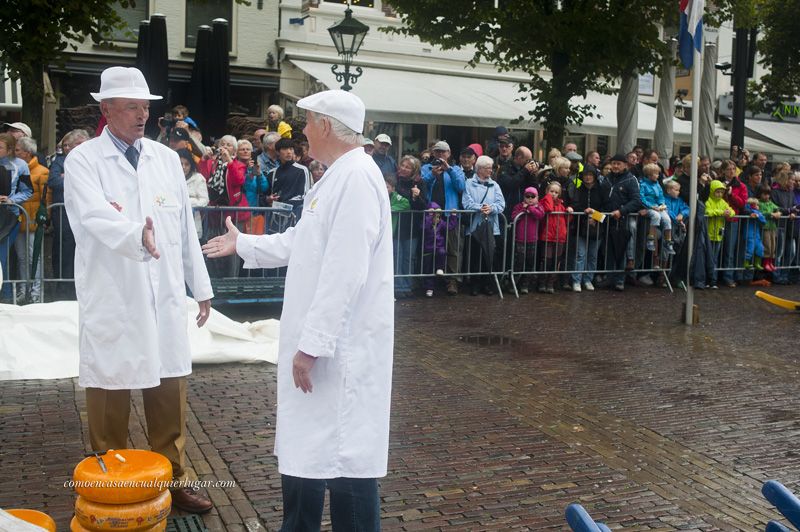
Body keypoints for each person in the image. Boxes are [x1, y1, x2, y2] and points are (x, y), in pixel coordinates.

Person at [202, 89, 394, 532]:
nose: (303, 130)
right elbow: (302, 243)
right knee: (317, 455)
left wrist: (313, 345)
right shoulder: (335, 177)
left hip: (341, 351)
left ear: (326, 125)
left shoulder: (356, 178)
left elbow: (346, 270)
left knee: (347, 462)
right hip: (329, 348)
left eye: (308, 121)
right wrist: (243, 242)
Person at [63, 66, 214, 513]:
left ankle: (172, 477)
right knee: (110, 387)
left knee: (169, 387)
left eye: (146, 106)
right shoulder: (84, 160)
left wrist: (200, 286)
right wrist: (135, 237)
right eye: (131, 106)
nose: (142, 114)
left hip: (163, 294)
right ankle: (109, 476)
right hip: (115, 294)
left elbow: (184, 228)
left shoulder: (166, 160)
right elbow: (91, 216)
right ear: (106, 109)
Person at [48, 129, 90, 297]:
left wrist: (69, 177)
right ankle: (64, 288)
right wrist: (73, 179)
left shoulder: (92, 161)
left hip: (84, 213)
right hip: (63, 214)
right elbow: (54, 181)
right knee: (64, 250)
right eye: (76, 145)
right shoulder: (60, 161)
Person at [422, 140, 466, 295]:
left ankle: (452, 281)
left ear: (449, 154)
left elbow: (461, 187)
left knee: (452, 249)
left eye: (443, 152)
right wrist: (431, 175)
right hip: (431, 216)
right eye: (437, 152)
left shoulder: (456, 170)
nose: (440, 155)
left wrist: (450, 170)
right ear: (433, 153)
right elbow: (421, 184)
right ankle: (430, 283)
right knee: (430, 249)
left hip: (448, 214)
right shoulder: (426, 168)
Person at [462, 155, 505, 295]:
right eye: (487, 168)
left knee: (489, 256)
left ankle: (488, 284)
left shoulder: (495, 185)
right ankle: (475, 285)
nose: (490, 171)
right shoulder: (468, 183)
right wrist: (480, 208)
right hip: (475, 226)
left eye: (491, 168)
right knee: (475, 256)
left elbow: (501, 204)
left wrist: (491, 208)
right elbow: (466, 203)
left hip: (491, 226)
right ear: (479, 169)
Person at [13, 136, 49, 303]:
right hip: (18, 221)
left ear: (27, 153)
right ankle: (23, 289)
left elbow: (46, 199)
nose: (15, 153)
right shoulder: (16, 169)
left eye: (18, 150)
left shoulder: (42, 171)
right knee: (22, 257)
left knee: (35, 257)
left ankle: (35, 292)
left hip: (34, 221)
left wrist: (44, 219)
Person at [0, 133, 33, 301]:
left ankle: (5, 297)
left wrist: (11, 199)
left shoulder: (21, 165)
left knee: (2, 258)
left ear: (10, 149)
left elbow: (28, 191)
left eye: (0, 148)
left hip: (9, 217)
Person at [603, 154, 642, 291]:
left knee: (620, 250)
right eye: (613, 163)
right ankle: (608, 277)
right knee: (608, 249)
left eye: (618, 164)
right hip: (607, 219)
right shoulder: (606, 179)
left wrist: (622, 211)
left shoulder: (631, 180)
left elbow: (636, 200)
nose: (615, 166)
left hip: (622, 220)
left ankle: (620, 279)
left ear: (625, 165)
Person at [569, 165, 607, 292]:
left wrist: (595, 216)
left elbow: (606, 209)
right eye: (585, 175)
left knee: (592, 255)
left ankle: (588, 279)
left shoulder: (601, 190)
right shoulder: (578, 189)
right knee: (580, 255)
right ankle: (576, 280)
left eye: (590, 175)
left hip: (597, 228)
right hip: (581, 226)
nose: (588, 177)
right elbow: (575, 205)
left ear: (595, 176)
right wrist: (585, 213)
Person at [264, 137, 312, 220]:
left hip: (295, 217)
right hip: (274, 220)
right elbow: (266, 195)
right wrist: (268, 199)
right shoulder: (272, 173)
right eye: (285, 149)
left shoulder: (302, 170)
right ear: (278, 152)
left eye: (291, 149)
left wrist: (282, 205)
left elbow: (305, 195)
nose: (289, 152)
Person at [537, 181, 572, 293]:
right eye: (551, 191)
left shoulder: (561, 206)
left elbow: (567, 221)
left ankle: (551, 283)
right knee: (546, 260)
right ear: (547, 191)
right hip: (547, 236)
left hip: (559, 237)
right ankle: (542, 282)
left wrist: (569, 212)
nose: (553, 194)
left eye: (556, 192)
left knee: (556, 262)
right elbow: (548, 209)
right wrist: (548, 197)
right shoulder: (543, 202)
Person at [510, 186, 544, 294]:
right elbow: (514, 216)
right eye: (527, 196)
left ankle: (525, 284)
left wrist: (530, 208)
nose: (530, 199)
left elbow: (540, 215)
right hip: (519, 239)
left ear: (537, 197)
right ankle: (513, 283)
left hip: (532, 239)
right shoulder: (519, 206)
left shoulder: (539, 207)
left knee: (530, 262)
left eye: (532, 196)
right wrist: (523, 209)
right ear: (524, 197)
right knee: (518, 262)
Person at [420, 203, 457, 297]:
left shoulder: (441, 223)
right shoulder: (426, 221)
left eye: (438, 216)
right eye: (435, 215)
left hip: (439, 247)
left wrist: (453, 216)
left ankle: (440, 268)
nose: (437, 218)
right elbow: (424, 227)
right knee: (428, 270)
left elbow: (450, 227)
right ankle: (429, 288)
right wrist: (429, 216)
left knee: (442, 252)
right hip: (428, 249)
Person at [704, 179, 735, 289]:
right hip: (709, 233)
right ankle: (707, 279)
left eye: (722, 192)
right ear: (712, 191)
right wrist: (721, 213)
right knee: (708, 257)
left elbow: (732, 211)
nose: (720, 194)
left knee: (715, 258)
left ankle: (713, 280)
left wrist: (728, 213)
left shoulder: (723, 202)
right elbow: (707, 211)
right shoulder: (707, 200)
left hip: (718, 235)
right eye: (717, 192)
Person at [640, 163, 675, 255]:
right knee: (656, 216)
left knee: (667, 219)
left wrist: (662, 204)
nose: (658, 175)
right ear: (649, 174)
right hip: (648, 207)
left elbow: (660, 196)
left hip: (657, 207)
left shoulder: (657, 185)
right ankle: (651, 239)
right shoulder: (642, 184)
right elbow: (642, 198)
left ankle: (668, 241)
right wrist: (651, 206)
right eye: (656, 173)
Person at [177, 148, 208, 240]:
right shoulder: (169, 178)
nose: (183, 167)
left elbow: (204, 200)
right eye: (180, 164)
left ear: (191, 165)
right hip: (174, 222)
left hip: (192, 224)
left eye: (186, 164)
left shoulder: (198, 178)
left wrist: (186, 201)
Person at [757, 184, 781, 272]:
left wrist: (778, 212)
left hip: (772, 227)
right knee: (767, 245)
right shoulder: (759, 203)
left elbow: (777, 208)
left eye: (768, 194)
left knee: (773, 245)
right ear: (760, 194)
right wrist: (771, 214)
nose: (767, 196)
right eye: (765, 194)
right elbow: (761, 213)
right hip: (765, 227)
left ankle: (770, 262)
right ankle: (766, 262)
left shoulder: (770, 203)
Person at [742, 197, 766, 271]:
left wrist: (757, 216)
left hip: (757, 234)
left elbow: (763, 221)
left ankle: (757, 263)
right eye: (754, 204)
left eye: (757, 204)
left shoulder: (758, 212)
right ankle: (746, 263)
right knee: (750, 248)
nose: (756, 206)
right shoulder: (748, 211)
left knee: (760, 248)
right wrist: (753, 213)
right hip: (749, 233)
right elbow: (745, 211)